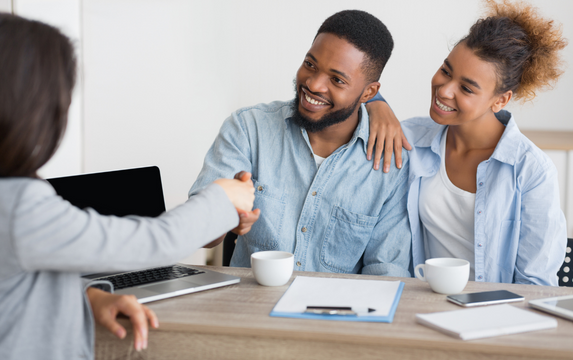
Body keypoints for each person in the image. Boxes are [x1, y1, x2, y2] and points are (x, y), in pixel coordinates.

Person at [0, 13, 255, 360]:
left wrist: (90, 297)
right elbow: (156, 242)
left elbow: (16, 283)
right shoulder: (17, 206)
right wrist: (222, 198)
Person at [189, 10, 411, 277]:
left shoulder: (391, 163)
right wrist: (223, 217)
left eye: (337, 80)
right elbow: (200, 234)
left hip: (335, 313)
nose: (314, 84)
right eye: (310, 64)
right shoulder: (248, 128)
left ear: (369, 93)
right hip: (249, 310)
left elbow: (386, 271)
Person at [365, 0, 568, 285]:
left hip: (496, 316)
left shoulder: (531, 171)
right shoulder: (410, 139)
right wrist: (376, 102)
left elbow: (536, 285)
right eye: (446, 71)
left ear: (500, 100)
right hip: (420, 308)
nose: (444, 90)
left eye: (466, 88)